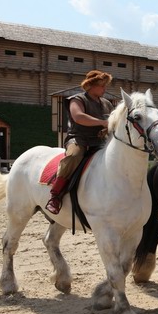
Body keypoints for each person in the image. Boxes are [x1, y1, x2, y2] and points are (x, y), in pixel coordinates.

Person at [46, 70, 114, 214]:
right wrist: (102, 122)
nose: (104, 89)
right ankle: (55, 196)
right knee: (74, 156)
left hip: (101, 141)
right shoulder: (77, 99)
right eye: (102, 86)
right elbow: (78, 117)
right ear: (90, 86)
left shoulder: (107, 103)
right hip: (79, 139)